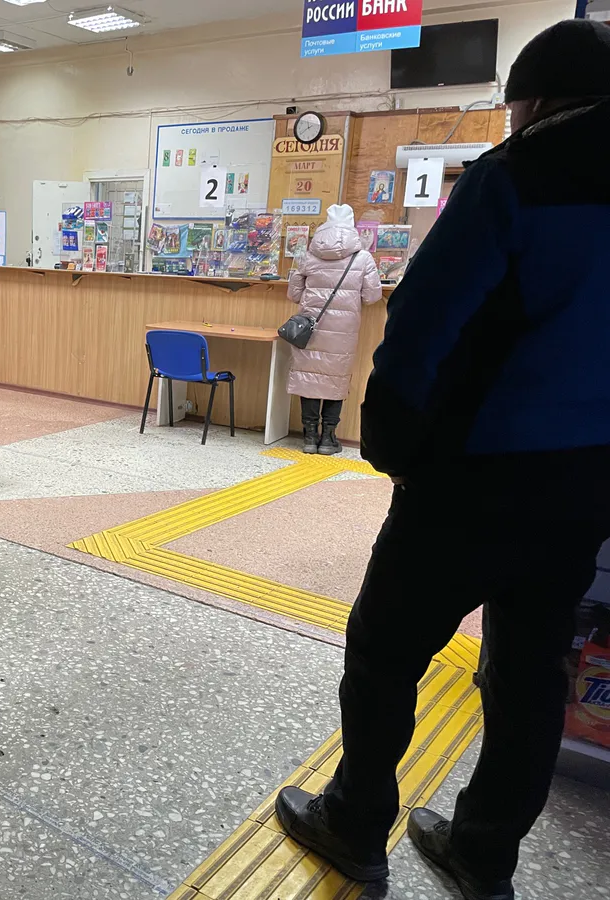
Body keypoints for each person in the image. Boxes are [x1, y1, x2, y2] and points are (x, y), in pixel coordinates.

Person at [274, 20, 610, 900]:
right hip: (587, 482)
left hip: (472, 474)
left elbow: (423, 324)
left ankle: (354, 823)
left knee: (385, 650)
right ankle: (484, 854)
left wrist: (393, 447)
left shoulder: (513, 177)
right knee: (532, 670)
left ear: (534, 101)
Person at [286, 204, 382, 455]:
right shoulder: (362, 258)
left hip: (309, 327)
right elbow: (372, 296)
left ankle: (309, 437)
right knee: (335, 380)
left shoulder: (308, 255)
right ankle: (328, 439)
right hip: (343, 330)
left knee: (308, 377)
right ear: (352, 226)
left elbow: (293, 294)